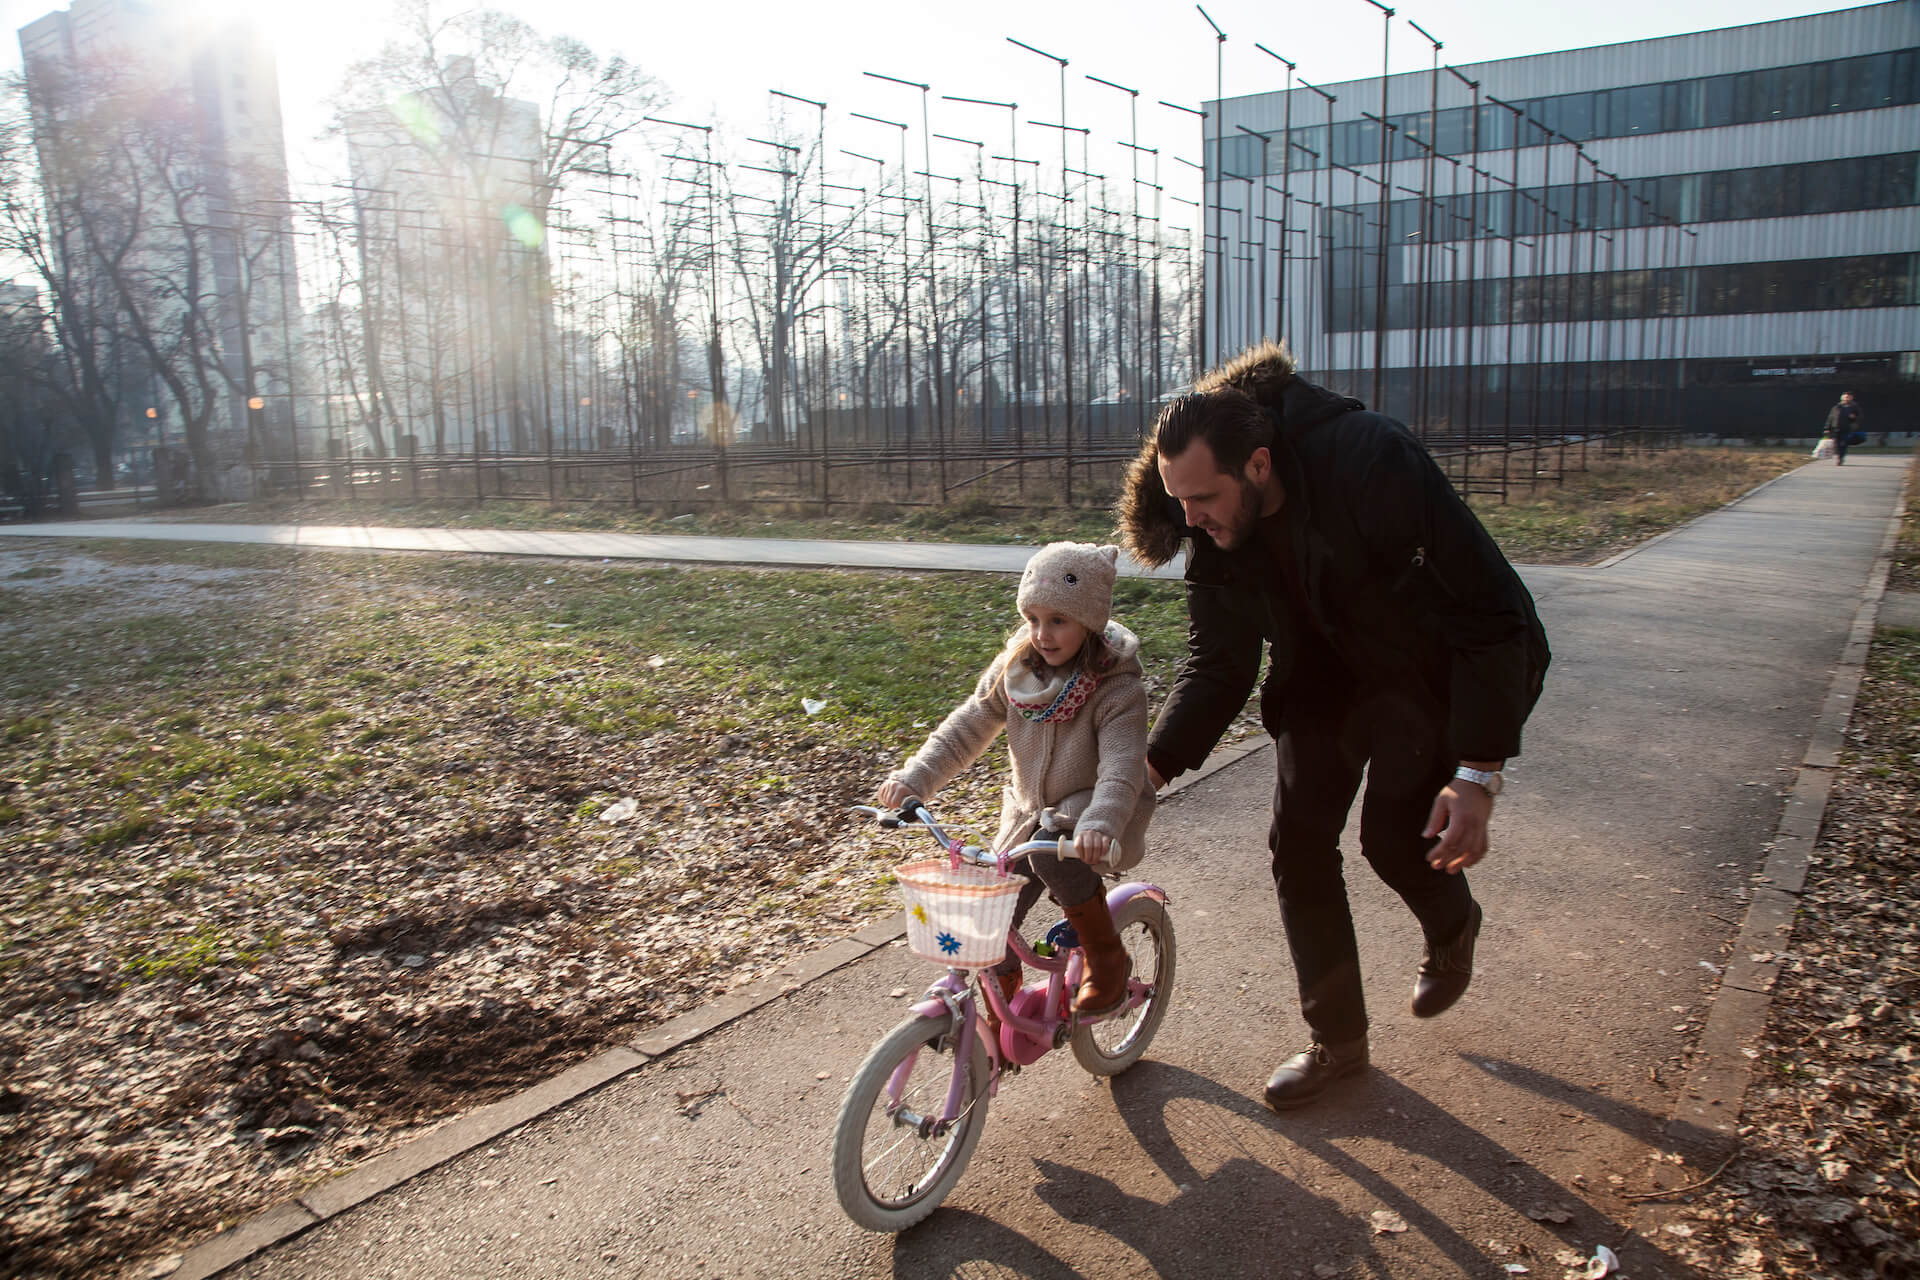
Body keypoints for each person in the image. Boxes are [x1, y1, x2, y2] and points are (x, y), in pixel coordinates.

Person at [1118, 342, 1550, 1111]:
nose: (1190, 519)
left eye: (1203, 499)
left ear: (1257, 464)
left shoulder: (1370, 460)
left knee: (1392, 839)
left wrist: (1479, 772)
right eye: (1177, 502)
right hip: (1320, 682)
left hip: (1431, 673)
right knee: (1299, 847)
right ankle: (1338, 1043)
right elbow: (1219, 666)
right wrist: (1145, 773)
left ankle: (1453, 923)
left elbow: (1491, 616)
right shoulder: (1212, 526)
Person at [876, 542, 1156, 1018]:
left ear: (1088, 619)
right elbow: (966, 729)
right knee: (993, 915)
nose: (1042, 635)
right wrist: (915, 778)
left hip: (1089, 821)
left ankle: (1107, 959)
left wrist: (1102, 822)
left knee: (1053, 850)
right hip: (1026, 817)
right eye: (1032, 619)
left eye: (1058, 621)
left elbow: (1121, 767)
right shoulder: (1017, 669)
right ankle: (1001, 1001)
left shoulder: (1117, 687)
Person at [1823, 392, 1864, 465]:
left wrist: (1854, 417)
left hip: (1847, 429)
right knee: (1836, 444)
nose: (1846, 398)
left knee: (1843, 444)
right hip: (1835, 428)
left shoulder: (1854, 407)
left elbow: (1860, 418)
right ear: (1842, 398)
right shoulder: (1837, 407)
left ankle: (1840, 458)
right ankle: (1839, 455)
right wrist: (1827, 428)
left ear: (1851, 398)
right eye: (1845, 397)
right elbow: (1830, 418)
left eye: (1848, 397)